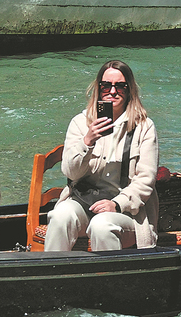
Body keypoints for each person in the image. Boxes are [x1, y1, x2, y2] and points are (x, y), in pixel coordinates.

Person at [44, 61, 159, 252]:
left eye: (120, 86)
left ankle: (105, 280)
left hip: (126, 212)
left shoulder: (144, 127)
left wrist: (116, 204)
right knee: (60, 215)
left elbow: (146, 180)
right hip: (84, 203)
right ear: (98, 88)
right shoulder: (80, 123)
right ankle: (52, 277)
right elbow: (71, 173)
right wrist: (87, 141)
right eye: (106, 85)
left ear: (129, 90)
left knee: (102, 225)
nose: (112, 91)